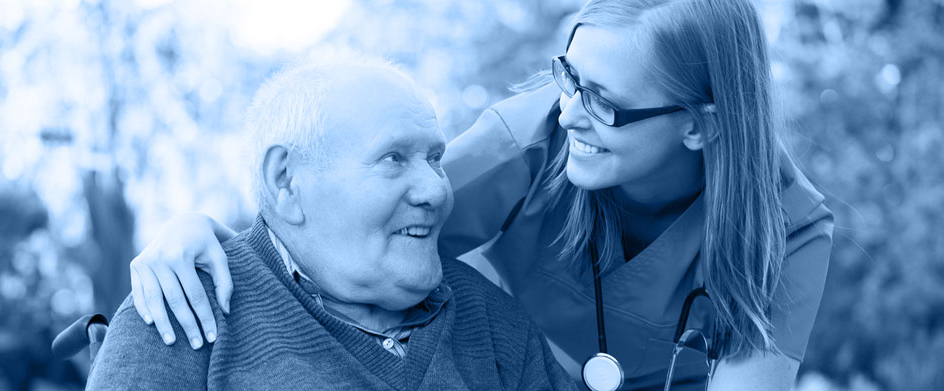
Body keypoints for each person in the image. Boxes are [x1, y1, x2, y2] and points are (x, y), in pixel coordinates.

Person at [126, 0, 834, 389]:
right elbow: (338, 225)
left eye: (605, 102)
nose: (567, 112)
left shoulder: (788, 225)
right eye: (567, 74)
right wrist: (204, 228)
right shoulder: (526, 144)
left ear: (697, 125)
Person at [86, 52, 576, 390]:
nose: (435, 189)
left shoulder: (493, 323)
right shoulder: (181, 317)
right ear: (287, 181)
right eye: (393, 158)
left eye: (434, 158)